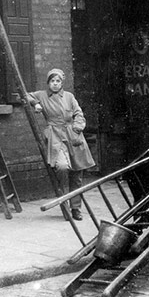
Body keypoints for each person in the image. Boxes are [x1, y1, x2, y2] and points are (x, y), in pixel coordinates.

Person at [27, 68, 96, 221]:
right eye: (52, 81)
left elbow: (78, 113)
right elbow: (24, 95)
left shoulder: (69, 97)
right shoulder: (43, 95)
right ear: (48, 83)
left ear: (61, 83)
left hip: (74, 136)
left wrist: (77, 128)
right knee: (62, 167)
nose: (55, 84)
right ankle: (63, 201)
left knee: (77, 175)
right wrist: (35, 103)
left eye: (58, 81)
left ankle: (76, 208)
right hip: (56, 137)